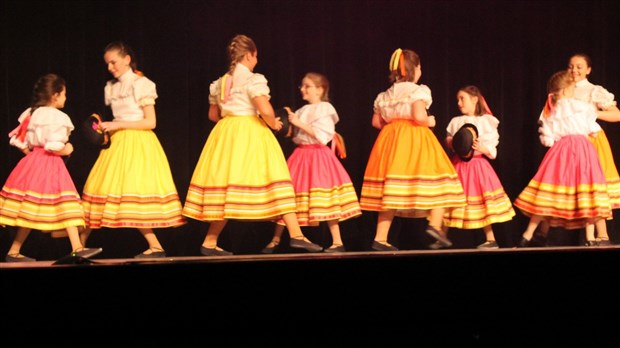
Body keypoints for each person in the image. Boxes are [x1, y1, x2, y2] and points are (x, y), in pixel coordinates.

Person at [182, 34, 323, 256]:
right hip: (251, 132)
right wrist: (274, 124)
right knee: (275, 177)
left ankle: (210, 241)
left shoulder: (219, 83)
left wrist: (232, 122)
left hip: (226, 132)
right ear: (249, 55)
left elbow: (213, 115)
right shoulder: (252, 79)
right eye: (255, 57)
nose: (256, 61)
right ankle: (296, 235)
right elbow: (265, 109)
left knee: (229, 185)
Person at [79, 41, 186, 258]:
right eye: (107, 63)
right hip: (117, 143)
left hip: (139, 143)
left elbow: (150, 122)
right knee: (100, 189)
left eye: (113, 62)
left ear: (127, 59)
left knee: (134, 192)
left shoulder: (142, 84)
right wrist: (104, 129)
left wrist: (117, 124)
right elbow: (116, 120)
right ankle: (79, 246)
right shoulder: (111, 87)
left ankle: (155, 246)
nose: (110, 67)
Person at [359, 48, 466, 251]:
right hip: (414, 138)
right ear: (415, 69)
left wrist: (393, 126)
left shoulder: (385, 94)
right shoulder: (418, 90)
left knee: (391, 190)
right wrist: (430, 121)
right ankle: (435, 224)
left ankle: (380, 238)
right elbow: (418, 116)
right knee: (438, 180)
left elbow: (376, 122)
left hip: (390, 140)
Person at [0, 73, 102, 262]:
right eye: (63, 94)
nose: (65, 98)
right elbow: (53, 146)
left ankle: (13, 251)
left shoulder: (31, 113)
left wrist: (34, 157)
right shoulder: (57, 116)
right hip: (50, 163)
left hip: (32, 163)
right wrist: (67, 148)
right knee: (67, 203)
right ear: (55, 95)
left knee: (29, 207)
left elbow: (19, 141)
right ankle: (77, 248)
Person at [261, 72, 362, 254]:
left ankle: (338, 241)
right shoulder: (302, 110)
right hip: (300, 156)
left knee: (327, 198)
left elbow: (323, 136)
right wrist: (285, 121)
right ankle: (275, 239)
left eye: (307, 86)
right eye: (302, 85)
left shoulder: (325, 108)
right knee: (288, 197)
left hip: (318, 157)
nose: (302, 89)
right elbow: (294, 135)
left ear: (319, 89)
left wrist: (298, 122)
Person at [514, 70, 612, 247]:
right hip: (583, 150)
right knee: (587, 192)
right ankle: (590, 237)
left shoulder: (553, 110)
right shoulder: (581, 107)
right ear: (568, 89)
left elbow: (547, 138)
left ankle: (527, 235)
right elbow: (594, 129)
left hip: (561, 150)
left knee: (548, 192)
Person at [534, 53, 619, 246]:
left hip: (590, 141)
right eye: (571, 66)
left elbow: (617, 114)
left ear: (588, 70)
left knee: (593, 187)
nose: (574, 70)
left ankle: (602, 235)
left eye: (579, 66)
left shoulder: (593, 91)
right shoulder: (562, 89)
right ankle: (541, 234)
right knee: (556, 184)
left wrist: (591, 112)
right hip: (566, 143)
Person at [441, 86, 515, 249]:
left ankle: (490, 239)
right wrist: (452, 142)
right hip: (458, 165)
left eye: (462, 99)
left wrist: (482, 148)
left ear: (474, 99)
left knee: (482, 201)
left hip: (478, 167)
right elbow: (448, 140)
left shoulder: (485, 121)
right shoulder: (455, 121)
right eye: (457, 100)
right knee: (451, 200)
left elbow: (492, 151)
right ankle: (441, 235)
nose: (459, 103)